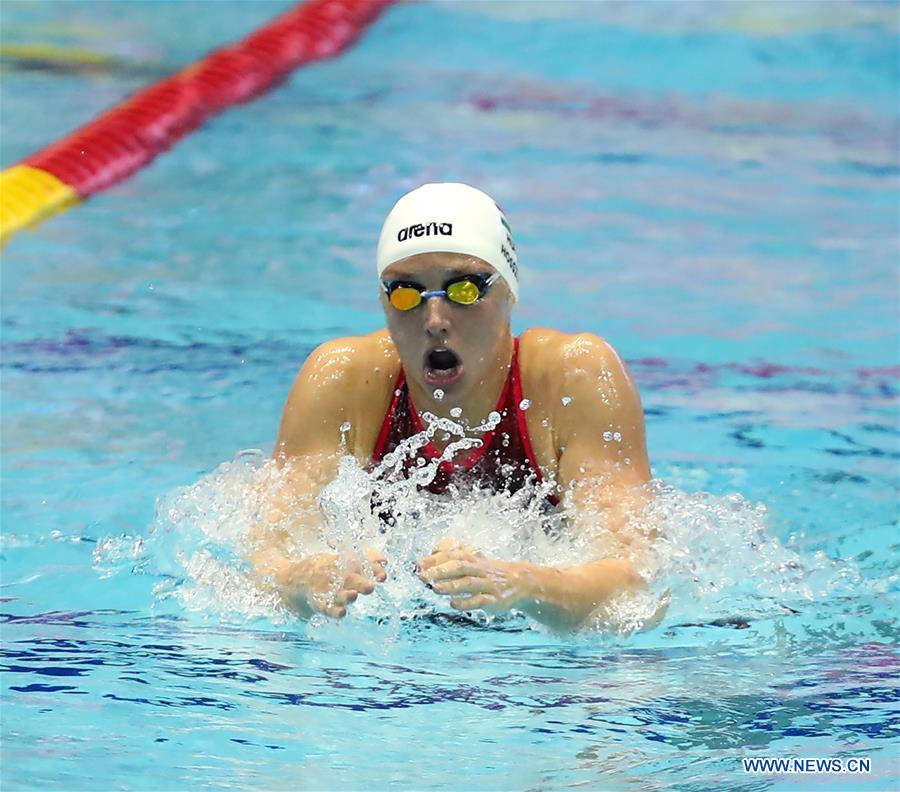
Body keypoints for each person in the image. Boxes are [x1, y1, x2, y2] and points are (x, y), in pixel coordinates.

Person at [249, 183, 653, 631]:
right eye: (406, 292)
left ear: (509, 290)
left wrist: (524, 584)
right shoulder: (345, 380)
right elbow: (264, 555)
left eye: (464, 290)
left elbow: (634, 578)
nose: (436, 321)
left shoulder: (570, 378)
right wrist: (300, 582)